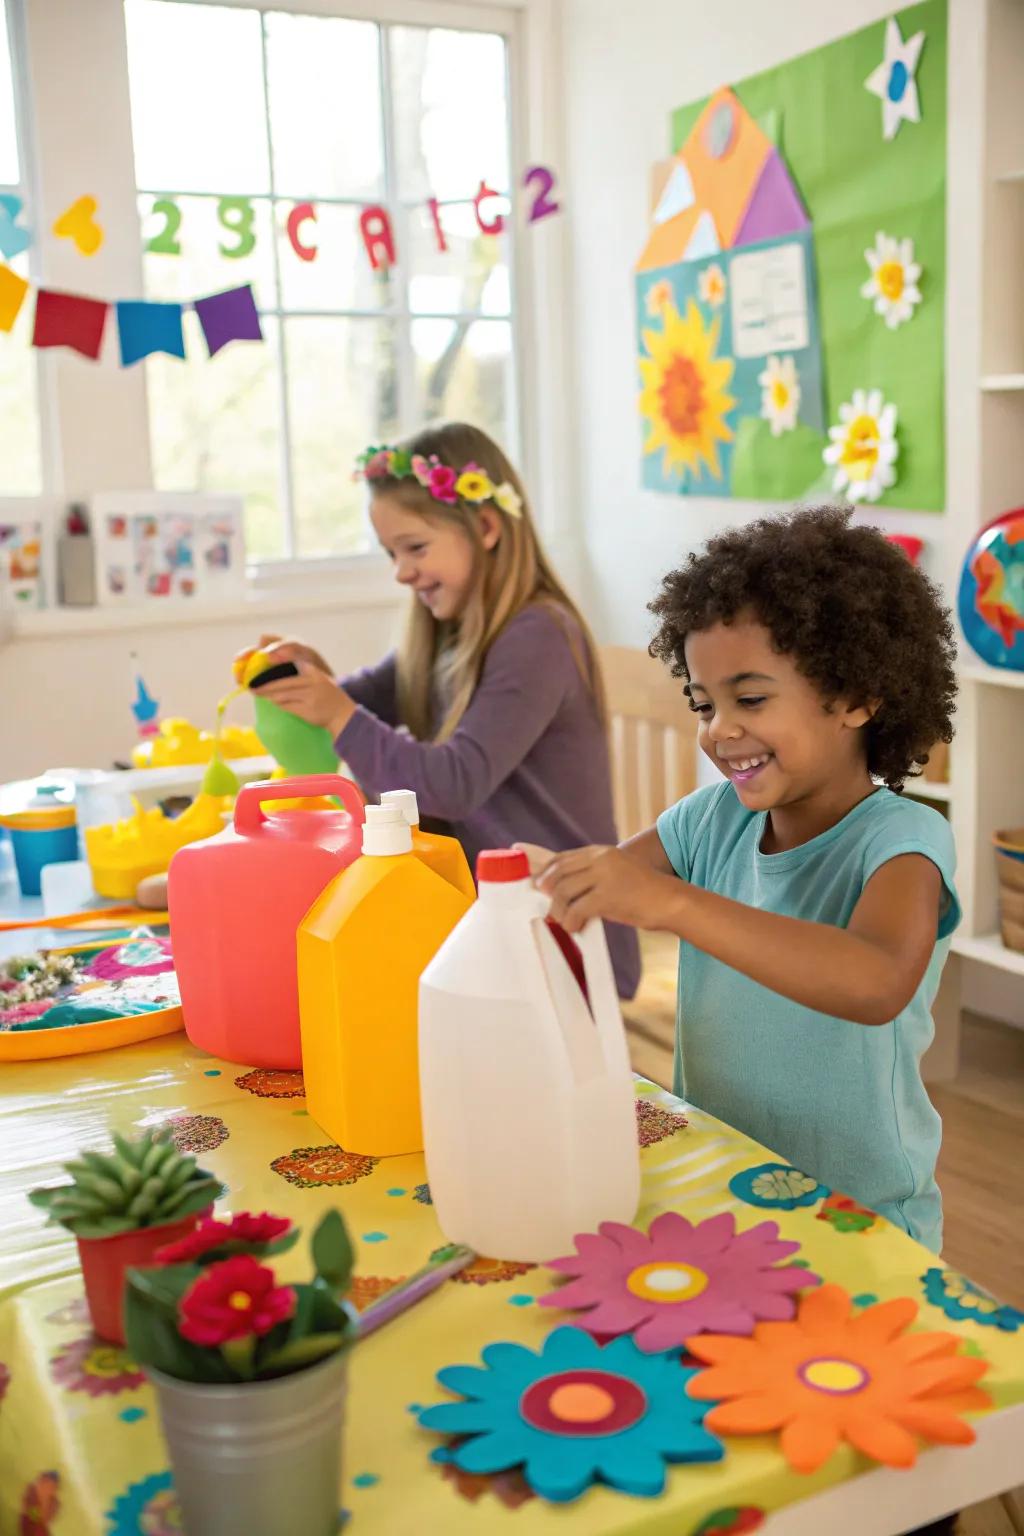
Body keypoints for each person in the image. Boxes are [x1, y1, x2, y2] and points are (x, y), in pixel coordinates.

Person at [527, 507, 958, 1252]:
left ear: (857, 697)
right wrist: (532, 885)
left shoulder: (903, 841)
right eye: (704, 703)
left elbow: (877, 981)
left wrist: (672, 902)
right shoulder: (707, 821)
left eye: (750, 699)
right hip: (725, 1183)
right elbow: (592, 888)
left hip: (861, 1221)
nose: (717, 730)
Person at [240, 420, 640, 999]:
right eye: (391, 553)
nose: (401, 571)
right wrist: (311, 680)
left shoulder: (537, 635)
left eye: (415, 548)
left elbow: (454, 783)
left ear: (484, 526)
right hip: (490, 924)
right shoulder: (450, 635)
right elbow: (364, 698)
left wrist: (337, 713)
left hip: (562, 935)